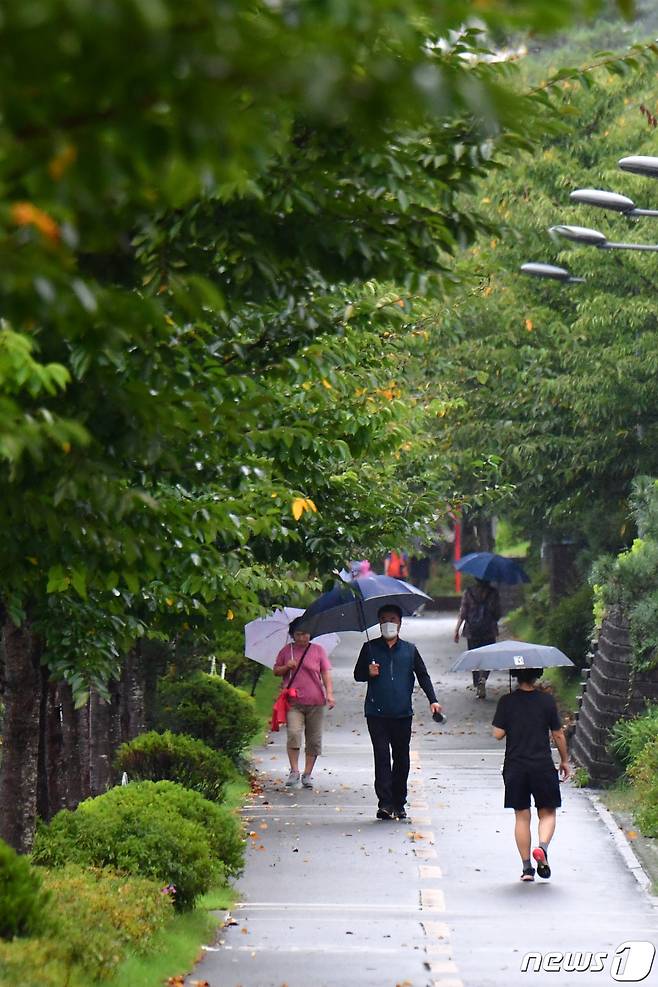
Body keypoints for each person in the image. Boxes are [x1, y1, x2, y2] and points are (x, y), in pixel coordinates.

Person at [354, 605, 442, 820]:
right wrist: (368, 671)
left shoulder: (410, 650)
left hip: (402, 713)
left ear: (400, 622)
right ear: (378, 623)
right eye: (383, 619)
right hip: (376, 713)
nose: (388, 623)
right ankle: (385, 803)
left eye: (392, 619)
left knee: (401, 758)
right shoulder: (370, 648)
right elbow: (357, 675)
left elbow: (423, 675)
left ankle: (399, 802)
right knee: (382, 757)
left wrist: (433, 700)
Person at [491, 668, 570, 882]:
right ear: (537, 675)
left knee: (522, 816)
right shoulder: (546, 701)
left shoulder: (506, 701)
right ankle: (542, 848)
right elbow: (558, 734)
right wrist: (564, 760)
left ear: (515, 676)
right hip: (542, 766)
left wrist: (510, 721)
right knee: (547, 813)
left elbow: (497, 734)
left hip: (515, 767)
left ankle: (527, 869)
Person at [273, 617, 335, 790]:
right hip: (294, 702)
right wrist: (287, 667)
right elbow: (276, 670)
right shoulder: (287, 651)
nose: (302, 638)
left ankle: (307, 774)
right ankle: (294, 770)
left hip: (316, 701)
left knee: (314, 739)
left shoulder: (318, 651)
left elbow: (326, 673)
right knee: (293, 733)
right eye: (299, 634)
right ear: (292, 635)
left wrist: (329, 694)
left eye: (306, 634)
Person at [454, 577, 501, 699]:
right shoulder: (493, 593)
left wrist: (457, 629)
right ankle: (483, 678)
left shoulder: (469, 592)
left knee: (474, 656)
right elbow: (498, 613)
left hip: (472, 631)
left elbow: (463, 611)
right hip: (488, 630)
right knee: (488, 657)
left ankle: (477, 683)